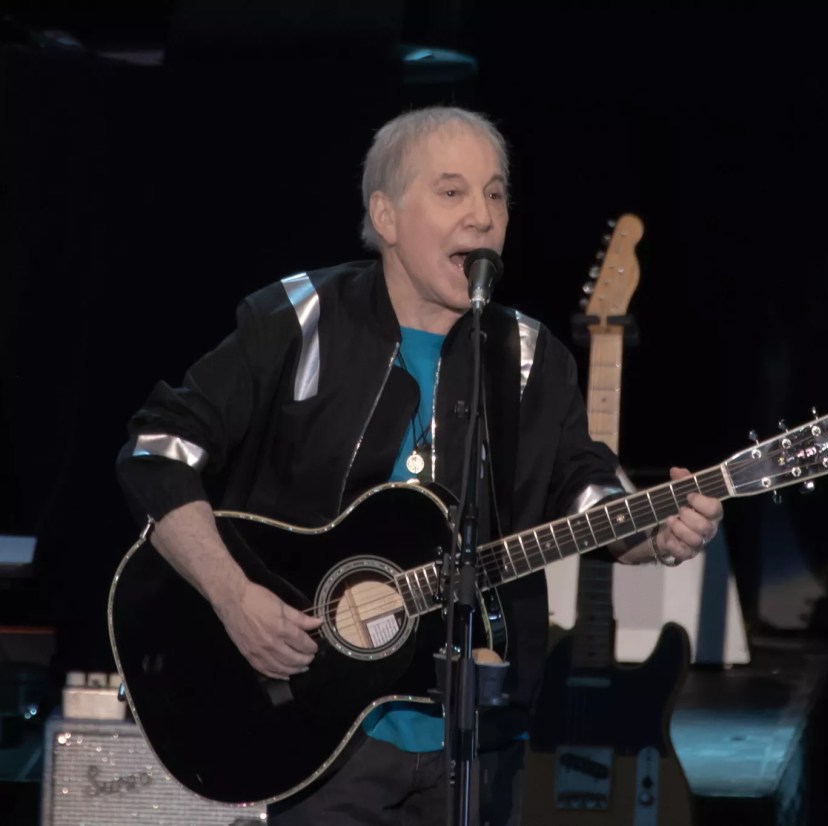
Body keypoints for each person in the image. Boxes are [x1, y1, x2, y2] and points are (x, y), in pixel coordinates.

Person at [114, 105, 722, 825]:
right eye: (452, 191)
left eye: (496, 194)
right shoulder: (301, 318)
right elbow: (157, 450)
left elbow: (585, 489)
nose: (482, 216)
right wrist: (232, 595)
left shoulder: (529, 357)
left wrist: (656, 533)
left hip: (479, 742)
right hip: (310, 732)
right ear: (386, 216)